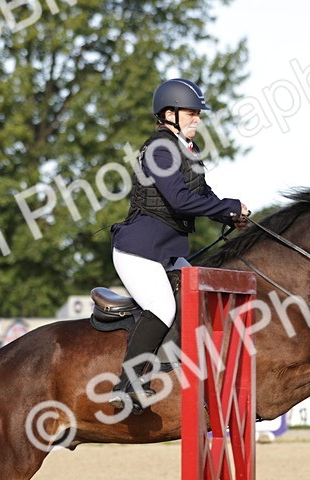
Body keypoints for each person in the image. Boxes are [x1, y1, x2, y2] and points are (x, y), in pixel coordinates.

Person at [107, 77, 250, 411]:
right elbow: (180, 200)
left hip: (167, 253)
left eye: (198, 113)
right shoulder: (159, 148)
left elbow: (204, 194)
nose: (198, 119)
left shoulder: (188, 150)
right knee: (162, 307)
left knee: (203, 298)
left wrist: (230, 216)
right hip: (138, 253)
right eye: (192, 113)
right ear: (169, 113)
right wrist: (227, 206)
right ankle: (125, 385)